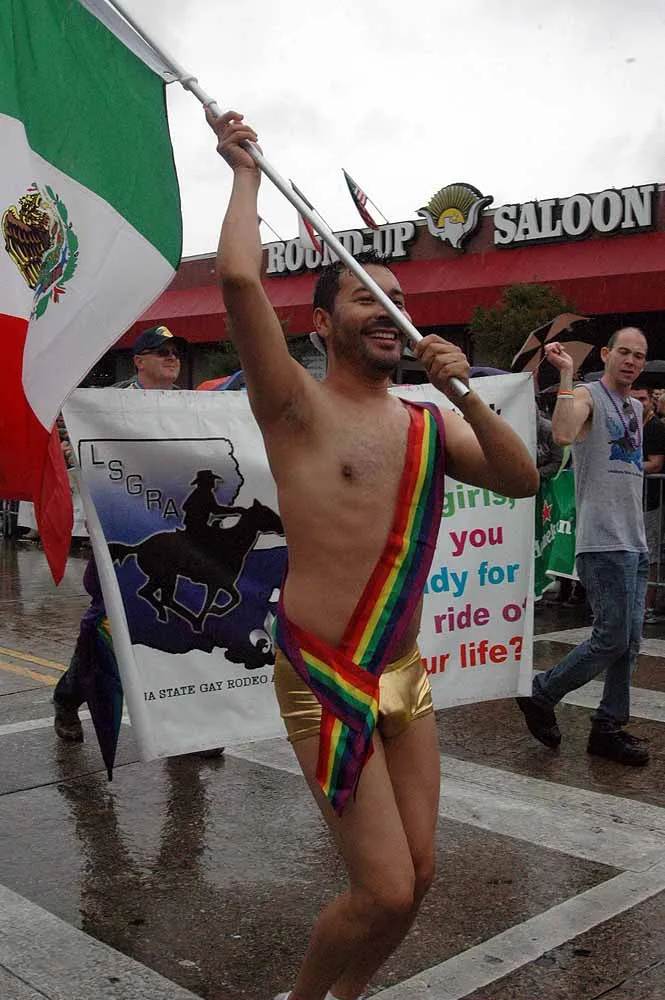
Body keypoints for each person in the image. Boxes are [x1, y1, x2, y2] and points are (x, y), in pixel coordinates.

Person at [209, 109, 539, 1000]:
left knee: (419, 877)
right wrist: (243, 173)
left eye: (396, 297)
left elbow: (521, 480)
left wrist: (465, 395)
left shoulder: (428, 422)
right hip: (326, 674)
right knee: (383, 888)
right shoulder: (294, 406)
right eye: (366, 296)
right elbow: (238, 280)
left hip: (402, 673)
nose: (388, 310)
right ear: (322, 323)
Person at [54, 328, 224, 757]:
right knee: (105, 625)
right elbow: (70, 450)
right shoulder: (108, 406)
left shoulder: (190, 408)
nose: (172, 358)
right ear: (139, 361)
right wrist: (77, 454)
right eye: (161, 352)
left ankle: (185, 728)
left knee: (183, 624)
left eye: (176, 352)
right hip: (121, 531)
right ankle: (69, 696)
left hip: (175, 535)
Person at [517, 328, 650, 766]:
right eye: (624, 352)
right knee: (611, 637)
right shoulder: (589, 395)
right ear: (607, 354)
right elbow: (561, 434)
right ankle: (543, 691)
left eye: (639, 356)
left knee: (629, 643)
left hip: (634, 541)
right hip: (603, 539)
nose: (631, 361)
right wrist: (567, 375)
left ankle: (608, 726)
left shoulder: (636, 408)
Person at [631, 386, 665, 623]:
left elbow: (655, 464)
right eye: (634, 398)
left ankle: (646, 605)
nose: (639, 403)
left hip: (651, 499)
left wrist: (626, 467)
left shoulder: (655, 428)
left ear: (651, 401)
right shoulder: (630, 424)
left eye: (643, 398)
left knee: (650, 553)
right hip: (631, 499)